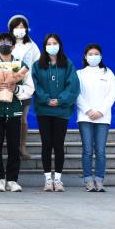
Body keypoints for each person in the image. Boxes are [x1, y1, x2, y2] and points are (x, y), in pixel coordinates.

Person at [0, 32, 35, 192]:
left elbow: (30, 88)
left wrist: (16, 88)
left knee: (14, 147)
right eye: (1, 42)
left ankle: (12, 180)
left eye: (8, 42)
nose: (5, 45)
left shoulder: (21, 66)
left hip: (14, 112)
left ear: (13, 46)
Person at [32, 33, 80, 192]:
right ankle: (48, 179)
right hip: (44, 110)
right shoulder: (37, 65)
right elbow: (35, 85)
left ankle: (58, 179)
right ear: (44, 46)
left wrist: (60, 100)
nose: (52, 46)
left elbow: (73, 85)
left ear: (60, 45)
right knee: (46, 144)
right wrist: (46, 99)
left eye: (55, 43)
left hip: (61, 111)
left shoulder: (68, 64)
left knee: (58, 144)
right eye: (49, 43)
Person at [76, 43, 115, 192]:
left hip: (103, 118)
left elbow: (111, 95)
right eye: (90, 54)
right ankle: (88, 180)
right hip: (85, 117)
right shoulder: (79, 74)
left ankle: (99, 180)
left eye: (96, 54)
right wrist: (88, 110)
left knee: (100, 151)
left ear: (101, 56)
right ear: (85, 57)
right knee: (87, 150)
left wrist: (100, 111)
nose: (93, 57)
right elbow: (77, 94)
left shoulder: (108, 73)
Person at [9, 15, 41, 159]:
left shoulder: (32, 46)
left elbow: (38, 64)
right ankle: (11, 146)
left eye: (22, 27)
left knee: (23, 118)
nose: (20, 29)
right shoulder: (7, 43)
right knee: (10, 118)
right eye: (17, 27)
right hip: (8, 86)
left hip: (26, 86)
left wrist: (31, 79)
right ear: (11, 29)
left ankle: (22, 147)